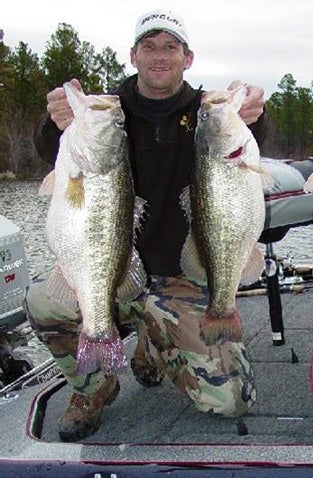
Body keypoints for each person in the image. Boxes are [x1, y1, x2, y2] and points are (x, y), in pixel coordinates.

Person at [28, 9, 268, 442]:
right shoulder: (104, 113)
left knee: (233, 400)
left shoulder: (209, 112)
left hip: (180, 277)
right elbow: (54, 150)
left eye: (170, 47)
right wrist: (57, 123)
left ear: (187, 58)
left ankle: (151, 343)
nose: (160, 56)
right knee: (45, 302)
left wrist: (252, 111)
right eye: (149, 46)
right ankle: (93, 387)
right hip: (113, 271)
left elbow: (240, 148)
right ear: (133, 55)